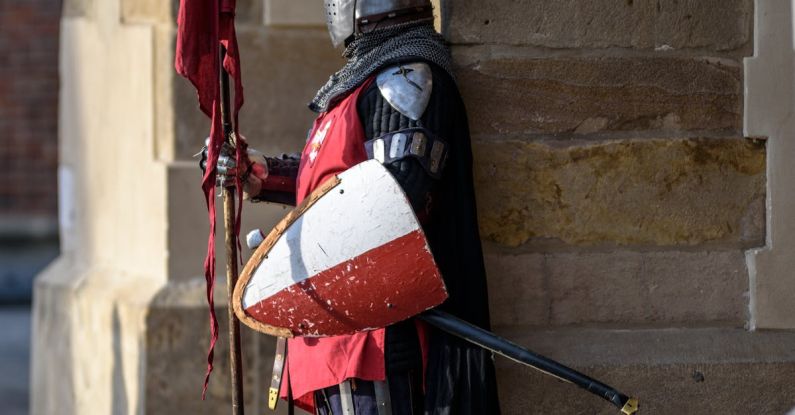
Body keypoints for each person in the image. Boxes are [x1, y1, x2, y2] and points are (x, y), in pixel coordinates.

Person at [201, 1, 500, 413]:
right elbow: (330, 186)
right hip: (334, 334)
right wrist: (258, 175)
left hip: (373, 337)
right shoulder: (360, 86)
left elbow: (394, 199)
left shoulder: (404, 79)